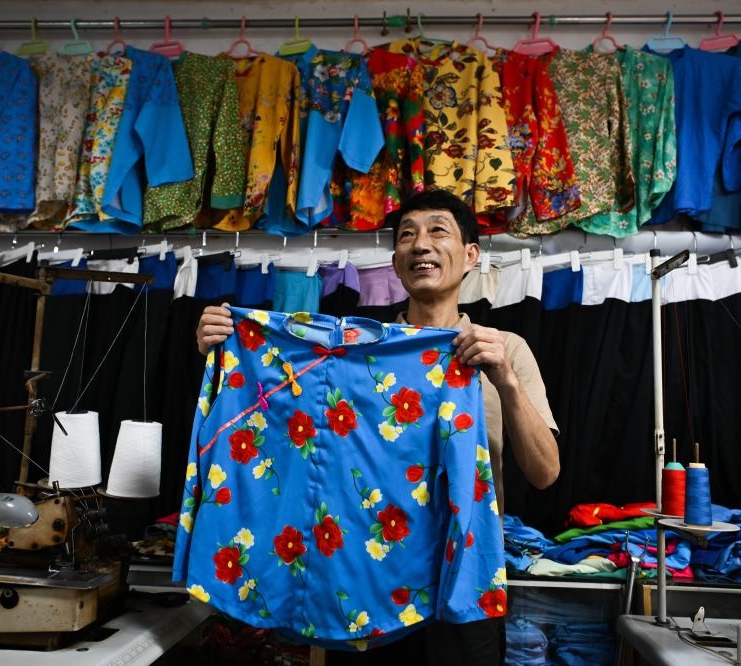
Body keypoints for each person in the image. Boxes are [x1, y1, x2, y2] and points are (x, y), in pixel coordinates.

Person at [195, 189, 560, 665]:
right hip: (364, 583)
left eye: (437, 231)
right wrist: (230, 348)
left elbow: (545, 474)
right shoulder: (351, 352)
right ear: (395, 261)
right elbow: (284, 428)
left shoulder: (503, 349)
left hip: (463, 578)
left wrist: (506, 381)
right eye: (407, 235)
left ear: (471, 255)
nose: (420, 244)